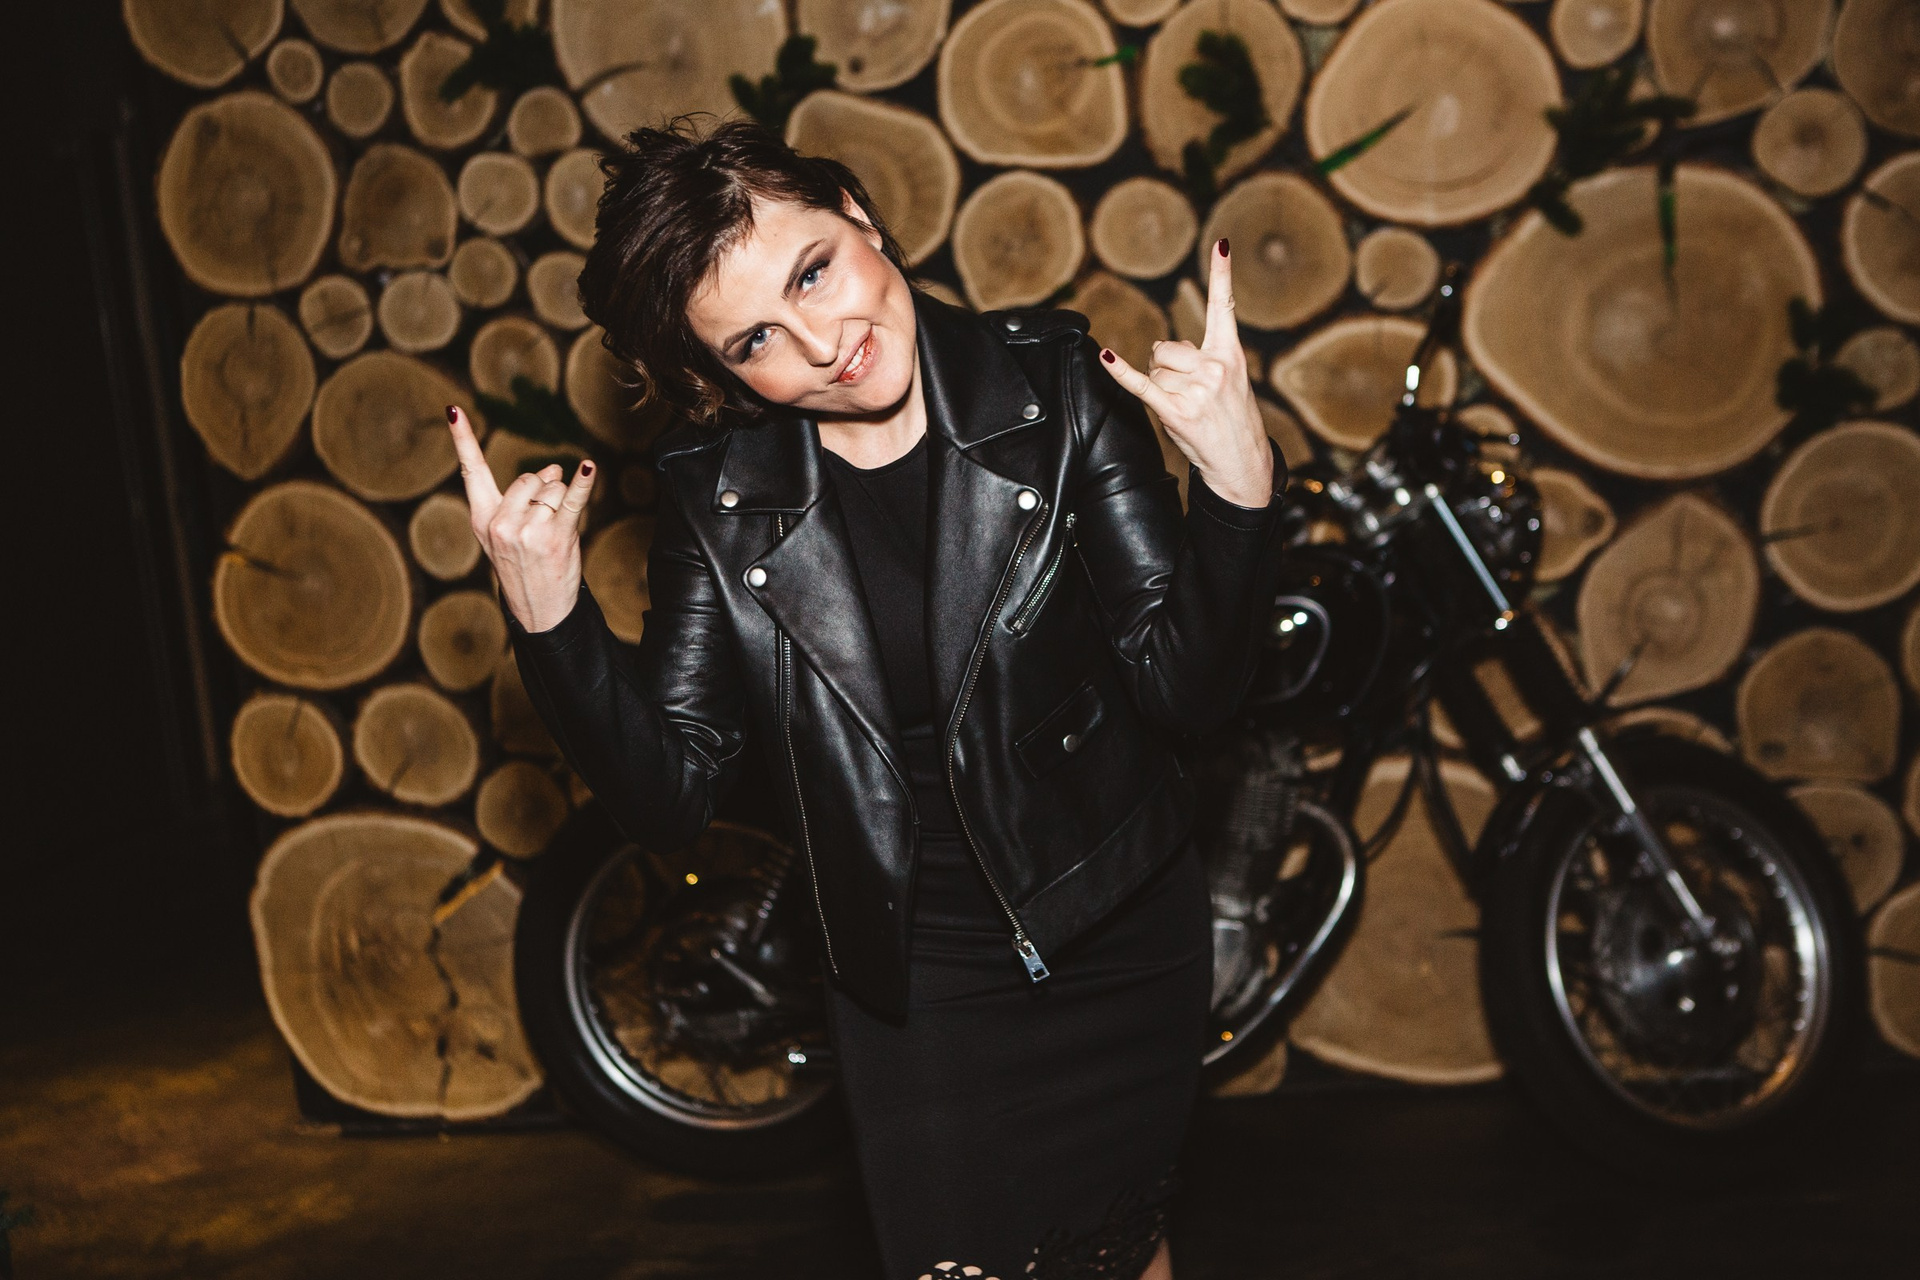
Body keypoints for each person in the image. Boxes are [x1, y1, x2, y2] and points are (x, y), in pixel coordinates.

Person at [447, 117, 1289, 1280]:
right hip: (915, 972)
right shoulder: (714, 498)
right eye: (755, 338)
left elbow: (1185, 695)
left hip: (1114, 924)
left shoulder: (1052, 386)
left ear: (858, 215)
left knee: (1118, 1252)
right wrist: (552, 618)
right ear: (719, 376)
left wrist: (1239, 490)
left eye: (813, 271)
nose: (822, 343)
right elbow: (672, 798)